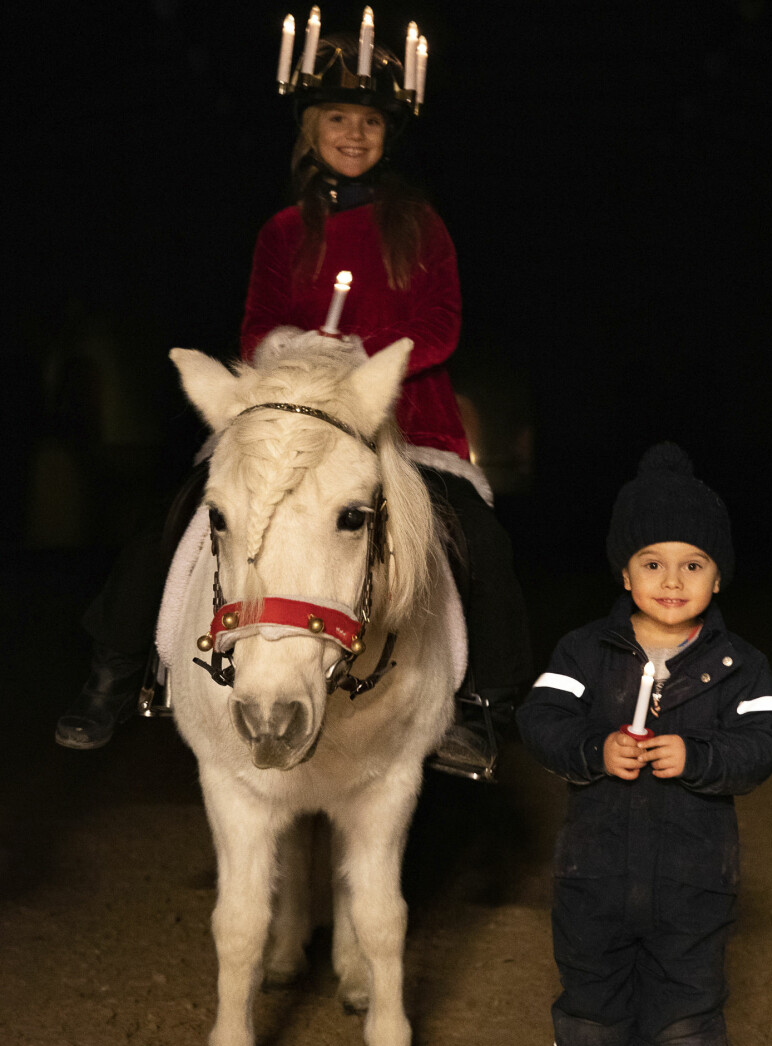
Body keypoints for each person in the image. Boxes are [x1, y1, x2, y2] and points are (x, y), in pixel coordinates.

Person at [56, 31, 531, 775]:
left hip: (404, 422)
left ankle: (482, 705)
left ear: (387, 136)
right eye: (338, 119)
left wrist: (358, 359)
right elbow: (256, 328)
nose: (353, 134)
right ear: (311, 129)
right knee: (181, 512)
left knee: (479, 540)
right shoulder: (282, 232)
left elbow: (441, 328)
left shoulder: (421, 226)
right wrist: (302, 357)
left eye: (369, 122)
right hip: (287, 417)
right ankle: (115, 671)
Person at [517, 443, 772, 1046]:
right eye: (652, 561)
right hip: (592, 876)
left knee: (683, 1013)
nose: (673, 581)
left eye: (694, 563)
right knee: (591, 1008)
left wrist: (697, 755)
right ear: (624, 572)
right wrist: (591, 747)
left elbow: (766, 742)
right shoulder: (584, 651)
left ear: (718, 573)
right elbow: (540, 719)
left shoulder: (738, 665)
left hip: (693, 883)